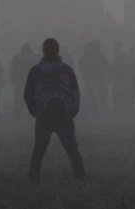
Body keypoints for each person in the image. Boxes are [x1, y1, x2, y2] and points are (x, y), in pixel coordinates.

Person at [24, 38, 86, 185]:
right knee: (72, 149)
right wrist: (72, 111)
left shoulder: (36, 70)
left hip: (43, 115)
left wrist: (34, 111)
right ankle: (81, 178)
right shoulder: (67, 70)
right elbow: (75, 93)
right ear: (58, 50)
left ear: (43, 50)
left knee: (39, 149)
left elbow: (27, 94)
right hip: (64, 115)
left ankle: (34, 180)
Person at [78, 41, 109, 115]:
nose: (97, 48)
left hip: (97, 78)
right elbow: (81, 65)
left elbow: (105, 66)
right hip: (91, 78)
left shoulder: (99, 56)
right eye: (96, 46)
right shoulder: (88, 56)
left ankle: (98, 110)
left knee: (99, 95)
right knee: (92, 95)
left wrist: (102, 73)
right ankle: (94, 110)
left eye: (98, 46)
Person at [9, 44, 37, 119]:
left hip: (19, 81)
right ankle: (32, 116)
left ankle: (17, 116)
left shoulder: (17, 57)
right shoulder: (34, 57)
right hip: (31, 82)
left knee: (18, 100)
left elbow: (12, 70)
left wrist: (13, 79)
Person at [109, 41, 135, 114]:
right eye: (115, 47)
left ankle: (121, 112)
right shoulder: (119, 57)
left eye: (116, 47)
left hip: (120, 81)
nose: (114, 49)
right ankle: (122, 112)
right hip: (119, 81)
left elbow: (118, 70)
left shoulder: (121, 58)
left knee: (119, 97)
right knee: (119, 96)